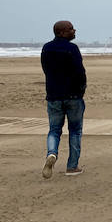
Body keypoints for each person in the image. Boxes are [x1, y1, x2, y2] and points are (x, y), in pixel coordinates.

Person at [41, 20, 86, 178]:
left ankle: (52, 153)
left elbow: (46, 69)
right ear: (60, 32)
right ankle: (72, 166)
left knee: (54, 130)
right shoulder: (72, 49)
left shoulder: (47, 48)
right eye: (70, 29)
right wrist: (81, 90)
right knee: (75, 131)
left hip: (54, 96)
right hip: (73, 96)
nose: (74, 30)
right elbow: (80, 72)